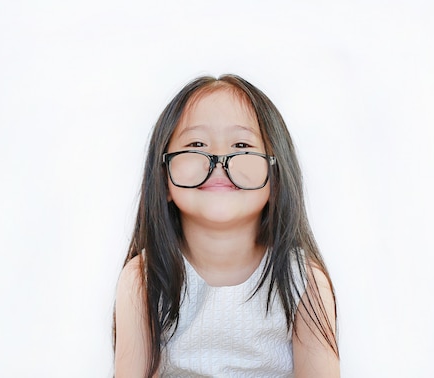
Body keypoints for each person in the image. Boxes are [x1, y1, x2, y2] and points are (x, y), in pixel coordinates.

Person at [113, 74, 339, 378]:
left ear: (277, 175)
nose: (219, 160)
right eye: (196, 143)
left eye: (242, 145)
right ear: (163, 177)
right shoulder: (142, 280)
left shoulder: (304, 281)